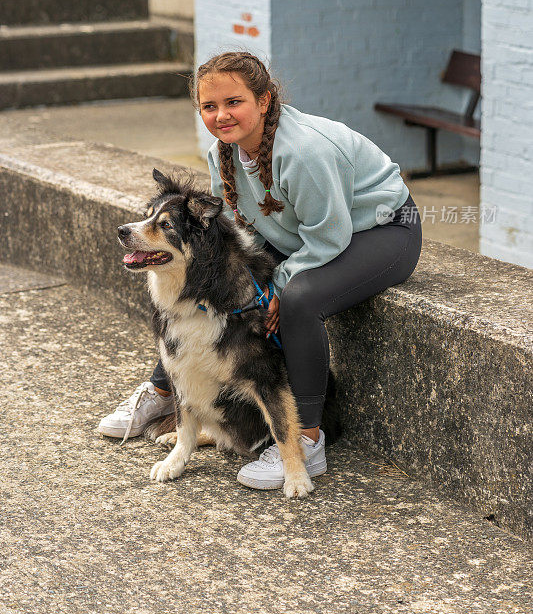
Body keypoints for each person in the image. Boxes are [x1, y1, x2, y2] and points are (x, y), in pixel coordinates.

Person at [98, 50, 422, 490]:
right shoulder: (224, 154)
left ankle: (306, 439)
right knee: (214, 285)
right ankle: (163, 394)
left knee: (300, 299)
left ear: (265, 100)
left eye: (234, 102)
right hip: (304, 234)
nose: (221, 115)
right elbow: (228, 237)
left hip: (380, 231)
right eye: (209, 107)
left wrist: (278, 286)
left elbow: (330, 237)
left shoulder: (303, 151)